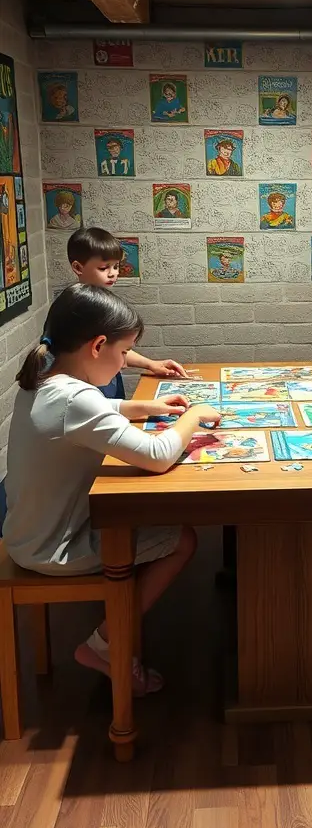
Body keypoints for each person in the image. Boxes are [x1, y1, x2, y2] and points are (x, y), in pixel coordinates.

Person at [3, 284, 221, 692]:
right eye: (124, 353)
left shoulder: (44, 380)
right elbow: (157, 454)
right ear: (98, 346)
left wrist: (149, 407)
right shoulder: (76, 401)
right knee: (183, 539)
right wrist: (194, 417)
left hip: (24, 535)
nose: (124, 363)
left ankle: (110, 638)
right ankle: (103, 644)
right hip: (56, 548)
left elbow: (97, 409)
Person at [67, 227, 190, 397]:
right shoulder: (77, 308)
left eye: (116, 266)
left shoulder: (102, 301)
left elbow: (115, 347)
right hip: (90, 390)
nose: (113, 274)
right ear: (78, 267)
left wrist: (151, 364)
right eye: (103, 268)